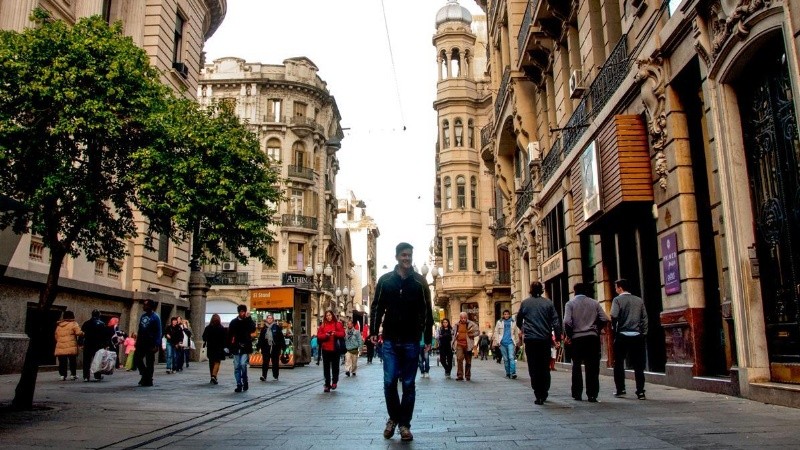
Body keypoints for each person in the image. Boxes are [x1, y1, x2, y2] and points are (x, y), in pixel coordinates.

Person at [370, 242, 433, 442]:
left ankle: (404, 424)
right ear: (397, 257)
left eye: (409, 255)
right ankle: (393, 418)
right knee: (389, 383)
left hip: (412, 340)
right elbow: (377, 307)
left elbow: (427, 312)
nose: (407, 259)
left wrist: (428, 338)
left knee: (408, 384)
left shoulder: (419, 282)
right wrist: (373, 330)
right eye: (404, 255)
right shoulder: (386, 281)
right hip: (389, 340)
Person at [516, 281, 562, 405]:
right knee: (544, 366)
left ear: (530, 290)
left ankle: (538, 393)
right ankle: (544, 391)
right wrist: (558, 337)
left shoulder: (525, 303)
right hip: (544, 339)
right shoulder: (548, 303)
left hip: (531, 340)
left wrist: (523, 329)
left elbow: (518, 319)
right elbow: (555, 321)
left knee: (533, 366)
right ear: (541, 290)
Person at [564, 282, 609, 402]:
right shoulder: (594, 303)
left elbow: (567, 321)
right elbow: (605, 318)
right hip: (592, 338)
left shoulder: (570, 304)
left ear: (575, 291)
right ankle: (592, 394)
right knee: (592, 367)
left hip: (577, 339)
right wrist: (596, 329)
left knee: (576, 366)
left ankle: (577, 394)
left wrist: (569, 335)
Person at [611, 278, 649, 400]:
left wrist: (615, 331)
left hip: (622, 335)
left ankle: (621, 389)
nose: (615, 289)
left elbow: (614, 315)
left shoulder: (617, 300)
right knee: (639, 365)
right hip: (637, 336)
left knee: (618, 363)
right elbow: (644, 318)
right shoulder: (639, 300)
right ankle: (640, 391)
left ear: (620, 288)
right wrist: (643, 333)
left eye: (616, 287)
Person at [228, 304, 256, 393]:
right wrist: (228, 346)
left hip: (245, 347)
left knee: (243, 364)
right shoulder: (233, 322)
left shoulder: (248, 321)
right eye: (241, 312)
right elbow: (229, 335)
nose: (242, 313)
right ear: (238, 312)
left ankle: (245, 381)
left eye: (244, 311)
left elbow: (253, 329)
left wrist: (249, 318)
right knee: (237, 366)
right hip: (236, 346)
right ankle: (239, 384)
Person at [134, 299, 162, 387]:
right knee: (137, 359)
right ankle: (146, 375)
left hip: (150, 343)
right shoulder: (143, 316)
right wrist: (137, 341)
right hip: (141, 342)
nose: (143, 306)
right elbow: (140, 329)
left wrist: (157, 344)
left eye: (145, 305)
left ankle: (148, 379)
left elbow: (158, 331)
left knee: (150, 362)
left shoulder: (155, 317)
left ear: (150, 306)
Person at [317, 310, 345, 392]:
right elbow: (319, 336)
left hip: (335, 349)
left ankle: (334, 382)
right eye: (327, 315)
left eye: (330, 315)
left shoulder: (337, 324)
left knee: (335, 367)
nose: (328, 317)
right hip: (325, 349)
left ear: (332, 315)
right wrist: (326, 335)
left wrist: (335, 333)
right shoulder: (323, 326)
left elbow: (343, 334)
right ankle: (327, 384)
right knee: (326, 368)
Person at [54, 310, 84, 381]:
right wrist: (83, 333)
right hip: (71, 345)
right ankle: (73, 375)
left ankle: (62, 375)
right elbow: (78, 333)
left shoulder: (59, 325)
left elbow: (56, 336)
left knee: (62, 361)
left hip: (61, 345)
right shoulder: (74, 324)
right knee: (72, 361)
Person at [492, 309, 521, 379]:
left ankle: (513, 373)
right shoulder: (499, 322)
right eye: (505, 314)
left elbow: (516, 333)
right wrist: (497, 341)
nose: (506, 315)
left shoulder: (513, 322)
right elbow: (496, 332)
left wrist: (517, 343)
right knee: (505, 359)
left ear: (509, 314)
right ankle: (508, 373)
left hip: (511, 342)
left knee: (511, 357)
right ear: (503, 315)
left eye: (507, 314)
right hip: (502, 343)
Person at [81, 309, 109, 382]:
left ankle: (86, 377)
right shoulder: (102, 324)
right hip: (98, 345)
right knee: (97, 360)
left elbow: (82, 334)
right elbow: (104, 335)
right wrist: (106, 344)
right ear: (99, 315)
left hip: (88, 344)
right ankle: (97, 376)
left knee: (86, 361)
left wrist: (80, 343)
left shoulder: (86, 323)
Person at [257, 314, 285, 382]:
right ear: (266, 319)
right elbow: (261, 338)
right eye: (268, 318)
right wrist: (258, 346)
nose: (269, 319)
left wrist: (283, 346)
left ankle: (275, 375)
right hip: (266, 347)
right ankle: (264, 376)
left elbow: (281, 337)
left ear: (273, 319)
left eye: (271, 318)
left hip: (275, 347)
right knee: (265, 362)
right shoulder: (264, 328)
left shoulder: (276, 327)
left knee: (275, 362)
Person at [452, 312, 479, 381]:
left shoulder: (472, 324)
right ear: (460, 318)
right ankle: (460, 375)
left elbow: (477, 332)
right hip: (459, 344)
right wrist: (454, 338)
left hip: (468, 344)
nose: (463, 319)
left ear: (467, 317)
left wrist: (472, 335)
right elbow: (453, 333)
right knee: (459, 359)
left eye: (465, 318)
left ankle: (467, 375)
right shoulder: (456, 324)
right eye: (462, 318)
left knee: (468, 361)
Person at [202, 313, 227, 385]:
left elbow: (204, 337)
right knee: (217, 362)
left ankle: (212, 377)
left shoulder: (208, 328)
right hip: (219, 348)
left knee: (211, 363)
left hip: (210, 347)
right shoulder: (221, 328)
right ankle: (214, 376)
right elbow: (225, 339)